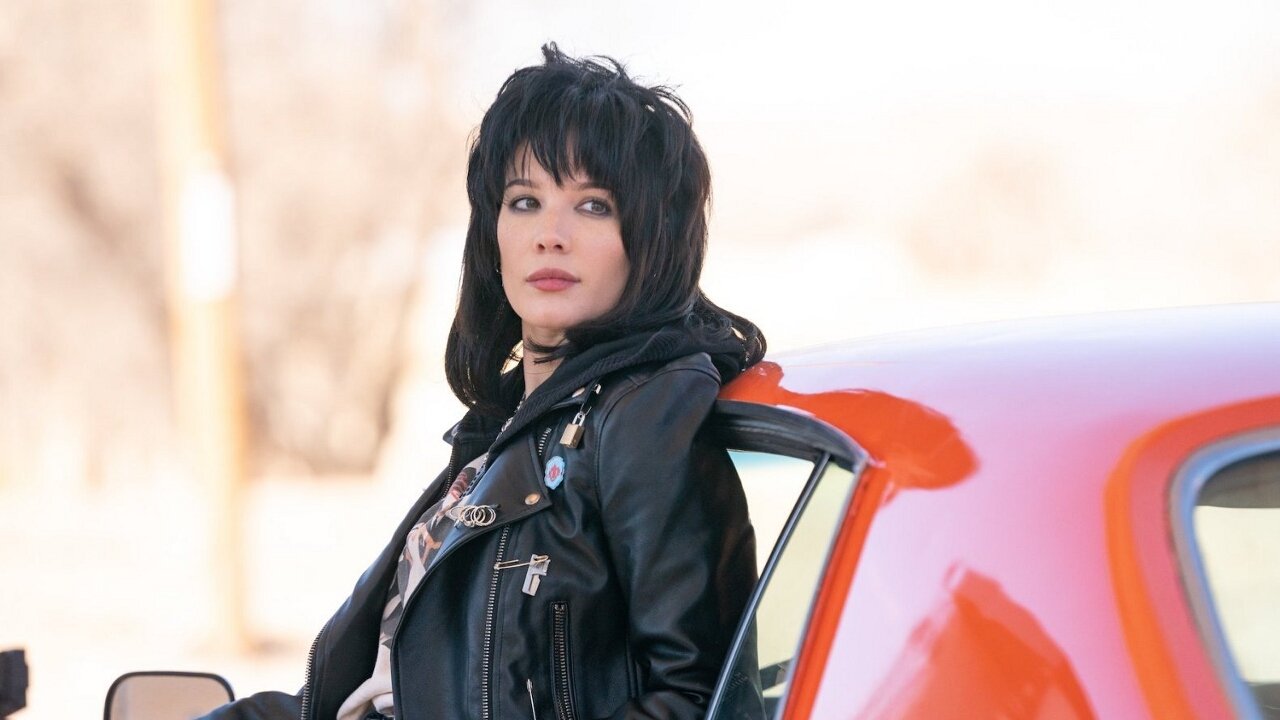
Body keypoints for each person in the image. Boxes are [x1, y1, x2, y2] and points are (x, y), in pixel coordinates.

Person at [204, 43, 766, 720]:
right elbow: (383, 688)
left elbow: (697, 699)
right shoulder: (505, 428)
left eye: (594, 206)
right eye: (524, 200)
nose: (549, 234)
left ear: (652, 239)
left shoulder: (647, 411)